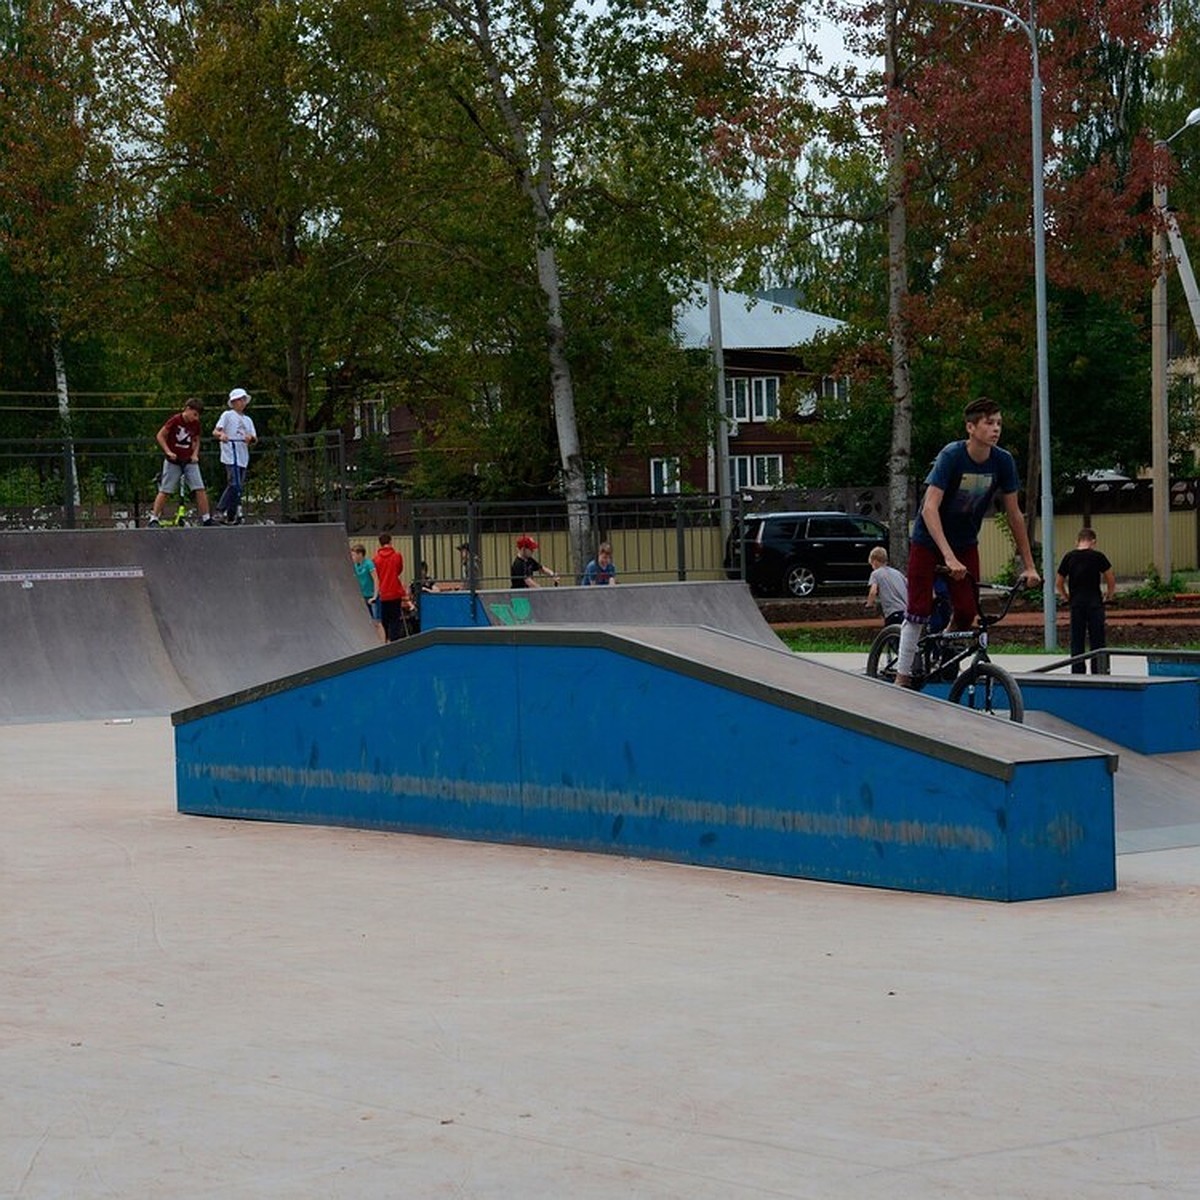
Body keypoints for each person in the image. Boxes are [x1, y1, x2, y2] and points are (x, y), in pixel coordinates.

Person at [895, 396, 1041, 688]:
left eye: (999, 423)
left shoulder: (1003, 461)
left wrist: (1029, 565)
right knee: (919, 611)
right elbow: (929, 507)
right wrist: (947, 557)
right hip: (928, 540)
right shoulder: (952, 456)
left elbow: (1014, 513)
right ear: (971, 428)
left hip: (964, 542)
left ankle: (946, 643)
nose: (996, 429)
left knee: (966, 612)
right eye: (989, 423)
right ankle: (901, 676)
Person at [1056, 528, 1116, 674]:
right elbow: (1110, 578)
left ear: (1077, 541)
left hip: (1077, 604)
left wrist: (1066, 596)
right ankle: (1099, 670)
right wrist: (1109, 594)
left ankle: (1078, 672)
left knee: (1077, 640)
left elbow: (1058, 582)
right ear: (1093, 541)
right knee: (1098, 640)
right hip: (1095, 603)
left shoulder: (1069, 557)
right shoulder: (1098, 556)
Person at [147, 398, 215, 526]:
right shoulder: (175, 420)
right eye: (195, 414)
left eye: (198, 415)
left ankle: (206, 518)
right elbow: (160, 435)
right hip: (174, 461)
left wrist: (195, 454)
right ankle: (154, 518)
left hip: (189, 460)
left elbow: (196, 440)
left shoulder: (195, 424)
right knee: (165, 490)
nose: (196, 418)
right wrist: (168, 451)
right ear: (187, 409)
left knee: (199, 488)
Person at [212, 387, 257, 524]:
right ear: (234, 402)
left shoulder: (248, 420)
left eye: (244, 400)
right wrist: (222, 435)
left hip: (243, 455)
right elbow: (216, 431)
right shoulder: (227, 415)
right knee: (234, 483)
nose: (243, 403)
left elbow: (255, 438)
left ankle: (231, 514)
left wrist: (250, 439)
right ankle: (220, 510)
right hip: (230, 454)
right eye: (240, 400)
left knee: (238, 486)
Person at [373, 533, 413, 642]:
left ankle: (385, 640)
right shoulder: (397, 556)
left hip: (383, 593)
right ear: (390, 542)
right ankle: (394, 641)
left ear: (380, 543)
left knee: (384, 620)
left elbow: (376, 575)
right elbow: (399, 570)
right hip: (395, 591)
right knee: (395, 619)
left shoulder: (376, 559)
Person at [351, 544, 384, 643]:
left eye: (353, 555)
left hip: (371, 596)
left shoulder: (369, 564)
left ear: (360, 554)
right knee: (366, 622)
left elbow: (376, 580)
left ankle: (382, 642)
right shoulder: (356, 566)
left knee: (377, 622)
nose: (352, 558)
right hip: (363, 596)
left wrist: (375, 595)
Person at [864, 547, 905, 625]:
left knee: (890, 634)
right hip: (906, 611)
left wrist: (869, 604)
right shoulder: (897, 573)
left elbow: (873, 591)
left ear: (875, 561)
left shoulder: (876, 574)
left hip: (892, 612)